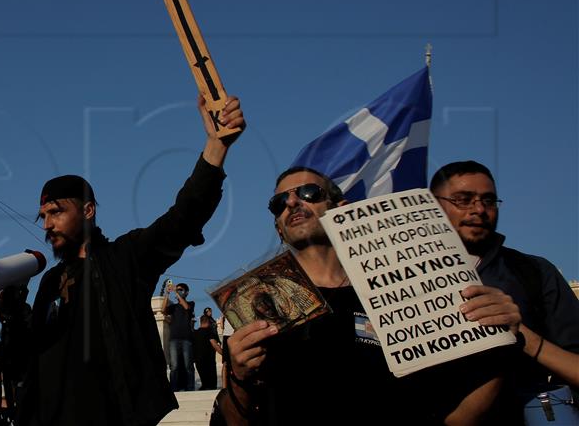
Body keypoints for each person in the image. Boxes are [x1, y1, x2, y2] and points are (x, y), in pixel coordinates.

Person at [0, 95, 245, 426]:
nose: (47, 224)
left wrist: (216, 149)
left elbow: (183, 218)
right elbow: (26, 361)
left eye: (56, 212)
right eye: (42, 216)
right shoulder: (49, 281)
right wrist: (13, 316)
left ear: (87, 211)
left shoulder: (127, 257)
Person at [214, 166, 523, 425]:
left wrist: (503, 341)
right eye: (279, 202)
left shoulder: (407, 293)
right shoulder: (258, 310)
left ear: (341, 209)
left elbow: (455, 418)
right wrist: (239, 378)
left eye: (309, 193)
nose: (292, 202)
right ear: (279, 229)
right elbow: (232, 421)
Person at [430, 161, 579, 417]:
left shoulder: (534, 272)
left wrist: (521, 336)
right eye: (463, 200)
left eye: (488, 200)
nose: (478, 209)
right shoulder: (394, 278)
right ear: (432, 206)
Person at [163, 282, 196, 391]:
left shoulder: (191, 303)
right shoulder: (174, 307)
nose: (178, 291)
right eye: (177, 289)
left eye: (181, 290)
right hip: (174, 339)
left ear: (186, 292)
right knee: (174, 366)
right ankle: (173, 389)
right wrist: (167, 294)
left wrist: (176, 293)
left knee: (188, 366)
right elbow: (163, 310)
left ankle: (190, 388)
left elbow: (186, 308)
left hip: (186, 338)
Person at [193, 313, 223, 390]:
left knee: (205, 383)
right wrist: (224, 354)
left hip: (198, 361)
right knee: (212, 385)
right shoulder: (209, 332)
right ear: (208, 322)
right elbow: (214, 344)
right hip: (209, 361)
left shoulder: (195, 333)